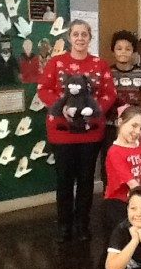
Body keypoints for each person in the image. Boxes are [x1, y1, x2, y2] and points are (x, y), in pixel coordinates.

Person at [38, 19, 116, 242]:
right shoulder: (56, 63)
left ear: (90, 38)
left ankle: (82, 225)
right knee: (64, 180)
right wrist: (63, 108)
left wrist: (93, 111)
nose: (80, 38)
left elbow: (109, 93)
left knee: (86, 180)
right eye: (76, 34)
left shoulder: (100, 64)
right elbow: (43, 90)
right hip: (62, 132)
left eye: (84, 34)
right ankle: (64, 226)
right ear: (69, 38)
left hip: (91, 132)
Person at [102, 30, 141, 188]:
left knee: (133, 162)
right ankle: (110, 193)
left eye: (128, 49)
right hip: (111, 126)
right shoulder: (108, 73)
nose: (123, 52)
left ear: (134, 51)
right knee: (110, 163)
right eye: (119, 48)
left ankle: (134, 195)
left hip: (134, 127)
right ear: (113, 50)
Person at [102, 106, 141, 240]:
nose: (137, 131)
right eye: (134, 126)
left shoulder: (140, 144)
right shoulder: (114, 151)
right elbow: (132, 184)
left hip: (139, 199)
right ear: (120, 122)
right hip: (119, 202)